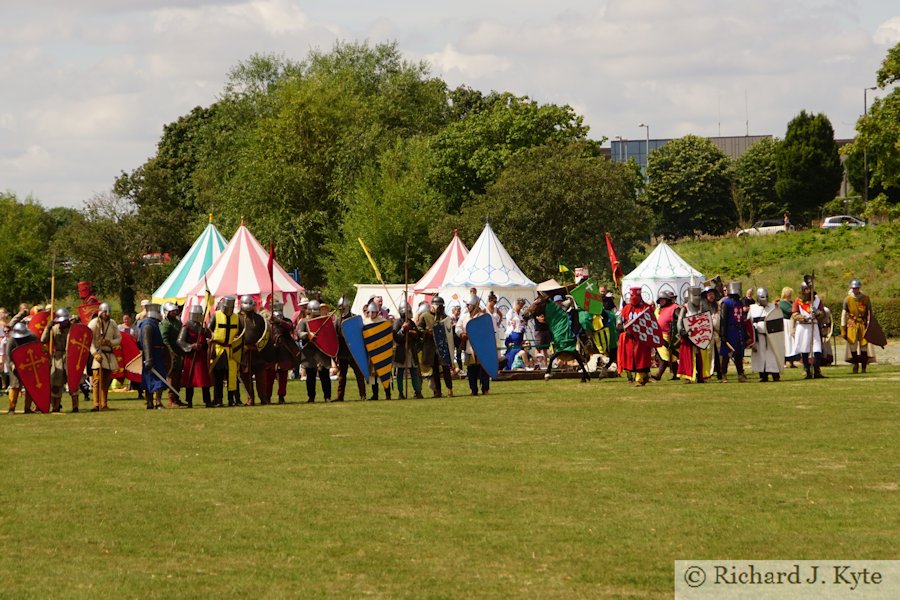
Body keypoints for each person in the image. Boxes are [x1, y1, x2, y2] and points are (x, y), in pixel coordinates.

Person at [41, 308, 81, 412]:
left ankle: (75, 406)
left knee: (73, 382)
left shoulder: (73, 328)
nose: (63, 322)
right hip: (58, 357)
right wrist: (47, 327)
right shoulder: (54, 329)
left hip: (70, 357)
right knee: (55, 384)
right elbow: (43, 340)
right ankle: (56, 406)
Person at [238, 295, 273, 405]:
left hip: (258, 351)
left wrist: (263, 349)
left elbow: (265, 334)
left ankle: (263, 398)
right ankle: (250, 398)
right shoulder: (237, 318)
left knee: (261, 377)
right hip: (244, 352)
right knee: (246, 377)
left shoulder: (259, 319)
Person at [209, 296, 243, 407]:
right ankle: (218, 399)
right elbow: (209, 330)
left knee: (232, 376)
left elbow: (241, 332)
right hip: (219, 349)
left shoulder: (236, 317)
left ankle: (231, 399)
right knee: (218, 375)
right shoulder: (216, 315)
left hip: (231, 350)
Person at [617, 287, 654, 386]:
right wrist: (622, 327)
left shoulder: (646, 308)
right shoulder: (626, 308)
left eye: (636, 296)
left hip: (642, 337)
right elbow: (620, 322)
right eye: (632, 296)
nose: (634, 298)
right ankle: (635, 376)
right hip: (629, 338)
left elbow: (651, 323)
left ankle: (640, 379)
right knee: (630, 358)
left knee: (641, 358)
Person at [296, 299, 331, 403]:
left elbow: (329, 334)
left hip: (322, 350)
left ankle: (327, 396)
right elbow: (299, 333)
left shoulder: (323, 320)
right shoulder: (303, 321)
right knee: (310, 376)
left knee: (324, 375)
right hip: (309, 351)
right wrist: (307, 335)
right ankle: (311, 397)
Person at [677, 285, 713, 384]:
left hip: (700, 335)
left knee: (701, 357)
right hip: (688, 335)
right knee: (688, 357)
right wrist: (682, 331)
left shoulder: (703, 306)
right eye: (694, 294)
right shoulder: (685, 307)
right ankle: (688, 377)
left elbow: (707, 320)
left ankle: (701, 376)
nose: (697, 297)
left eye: (698, 294)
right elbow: (679, 322)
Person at [178, 305, 212, 408]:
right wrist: (191, 346)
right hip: (191, 356)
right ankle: (189, 401)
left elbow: (209, 338)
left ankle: (207, 401)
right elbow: (180, 341)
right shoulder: (186, 327)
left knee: (204, 379)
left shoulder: (203, 327)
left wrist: (206, 343)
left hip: (201, 356)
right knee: (190, 380)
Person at [456, 293, 491, 396]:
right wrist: (462, 334)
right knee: (471, 370)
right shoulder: (464, 316)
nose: (467, 306)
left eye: (469, 305)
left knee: (483, 370)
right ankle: (473, 390)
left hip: (481, 347)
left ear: (475, 305)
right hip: (469, 346)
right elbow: (458, 328)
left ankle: (485, 389)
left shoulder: (483, 317)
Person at [89, 302, 121, 411]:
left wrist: (109, 342)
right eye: (104, 312)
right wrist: (94, 353)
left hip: (108, 354)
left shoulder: (112, 323)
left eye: (107, 312)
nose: (106, 314)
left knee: (106, 380)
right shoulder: (94, 323)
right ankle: (96, 404)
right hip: (98, 354)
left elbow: (119, 339)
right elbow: (88, 340)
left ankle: (104, 403)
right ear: (100, 312)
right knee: (97, 380)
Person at [334, 296, 366, 402]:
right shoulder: (337, 321)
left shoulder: (355, 319)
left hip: (354, 351)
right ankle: (340, 396)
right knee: (342, 376)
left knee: (359, 374)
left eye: (343, 308)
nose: (342, 310)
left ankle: (363, 395)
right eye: (340, 308)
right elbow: (335, 337)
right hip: (343, 352)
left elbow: (360, 334)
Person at [792, 279, 826, 380]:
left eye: (809, 289)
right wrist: (803, 317)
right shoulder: (798, 300)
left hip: (814, 325)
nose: (808, 291)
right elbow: (794, 313)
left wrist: (817, 313)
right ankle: (807, 370)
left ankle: (816, 369)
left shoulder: (817, 300)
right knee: (804, 348)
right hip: (803, 326)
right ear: (803, 290)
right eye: (806, 289)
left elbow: (823, 313)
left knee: (817, 348)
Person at [423, 296, 455, 397]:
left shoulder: (445, 317)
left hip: (442, 346)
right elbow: (419, 329)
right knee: (435, 370)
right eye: (438, 306)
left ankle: (449, 389)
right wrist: (426, 332)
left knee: (445, 368)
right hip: (432, 347)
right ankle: (438, 391)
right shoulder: (425, 316)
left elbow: (449, 332)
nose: (439, 308)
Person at [137, 303, 167, 409]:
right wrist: (149, 358)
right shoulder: (147, 325)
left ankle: (155, 401)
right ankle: (152, 402)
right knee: (149, 379)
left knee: (158, 377)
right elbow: (146, 343)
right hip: (151, 354)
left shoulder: (154, 324)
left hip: (158, 354)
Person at [748, 288, 782, 382]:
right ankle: (763, 375)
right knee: (760, 356)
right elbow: (749, 323)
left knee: (772, 356)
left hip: (771, 336)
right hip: (759, 336)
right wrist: (751, 339)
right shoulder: (753, 308)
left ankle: (776, 375)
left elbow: (778, 320)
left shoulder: (773, 307)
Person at [718, 281, 750, 383]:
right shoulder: (725, 303)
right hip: (729, 330)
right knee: (727, 353)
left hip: (739, 330)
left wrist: (745, 332)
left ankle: (740, 374)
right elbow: (723, 319)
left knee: (739, 354)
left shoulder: (739, 302)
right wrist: (723, 334)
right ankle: (723, 374)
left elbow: (742, 318)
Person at [269, 301, 299, 404]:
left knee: (283, 377)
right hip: (272, 351)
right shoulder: (268, 322)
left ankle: (281, 396)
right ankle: (267, 397)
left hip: (284, 351)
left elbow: (290, 328)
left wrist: (280, 321)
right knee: (269, 375)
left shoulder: (286, 321)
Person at [841, 279, 874, 374]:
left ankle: (864, 367)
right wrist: (843, 328)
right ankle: (855, 365)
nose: (855, 289)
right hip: (852, 323)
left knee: (864, 345)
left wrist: (870, 324)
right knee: (853, 345)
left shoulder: (866, 298)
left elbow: (869, 313)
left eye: (856, 288)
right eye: (853, 288)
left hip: (862, 323)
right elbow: (844, 314)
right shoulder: (847, 299)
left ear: (859, 288)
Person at [6, 319, 37, 413]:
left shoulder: (32, 337)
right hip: (15, 366)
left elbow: (38, 349)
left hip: (28, 364)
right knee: (15, 385)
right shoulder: (12, 340)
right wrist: (12, 364)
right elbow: (8, 355)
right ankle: (12, 408)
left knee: (30, 386)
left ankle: (27, 408)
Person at [159, 302, 187, 408]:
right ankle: (171, 399)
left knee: (178, 376)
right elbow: (164, 340)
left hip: (179, 352)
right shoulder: (165, 324)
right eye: (172, 311)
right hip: (170, 353)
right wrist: (170, 352)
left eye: (175, 311)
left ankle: (177, 398)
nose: (174, 312)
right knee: (172, 376)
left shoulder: (177, 322)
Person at [393, 303, 423, 399]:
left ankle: (417, 392)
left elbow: (417, 335)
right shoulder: (397, 322)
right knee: (400, 372)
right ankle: (401, 393)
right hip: (402, 350)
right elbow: (396, 337)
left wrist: (414, 333)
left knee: (414, 372)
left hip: (411, 350)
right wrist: (403, 330)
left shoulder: (411, 322)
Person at [651, 290, 679, 381]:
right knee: (668, 356)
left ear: (667, 300)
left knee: (669, 357)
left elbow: (680, 318)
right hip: (660, 335)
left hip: (670, 335)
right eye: (661, 300)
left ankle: (659, 375)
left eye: (664, 300)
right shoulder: (660, 310)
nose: (662, 301)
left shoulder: (675, 308)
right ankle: (675, 375)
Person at [503, 298, 527, 371]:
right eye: (520, 305)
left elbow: (524, 322)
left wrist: (523, 324)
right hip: (511, 333)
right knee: (511, 350)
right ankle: (508, 366)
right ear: (517, 304)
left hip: (520, 333)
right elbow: (508, 321)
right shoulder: (511, 312)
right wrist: (511, 322)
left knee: (518, 349)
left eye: (522, 306)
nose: (521, 307)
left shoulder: (522, 312)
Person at [779, 287, 798, 368]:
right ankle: (783, 362)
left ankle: (792, 362)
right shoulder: (782, 303)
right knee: (786, 342)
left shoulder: (790, 302)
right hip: (785, 323)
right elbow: (790, 310)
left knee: (792, 342)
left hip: (791, 322)